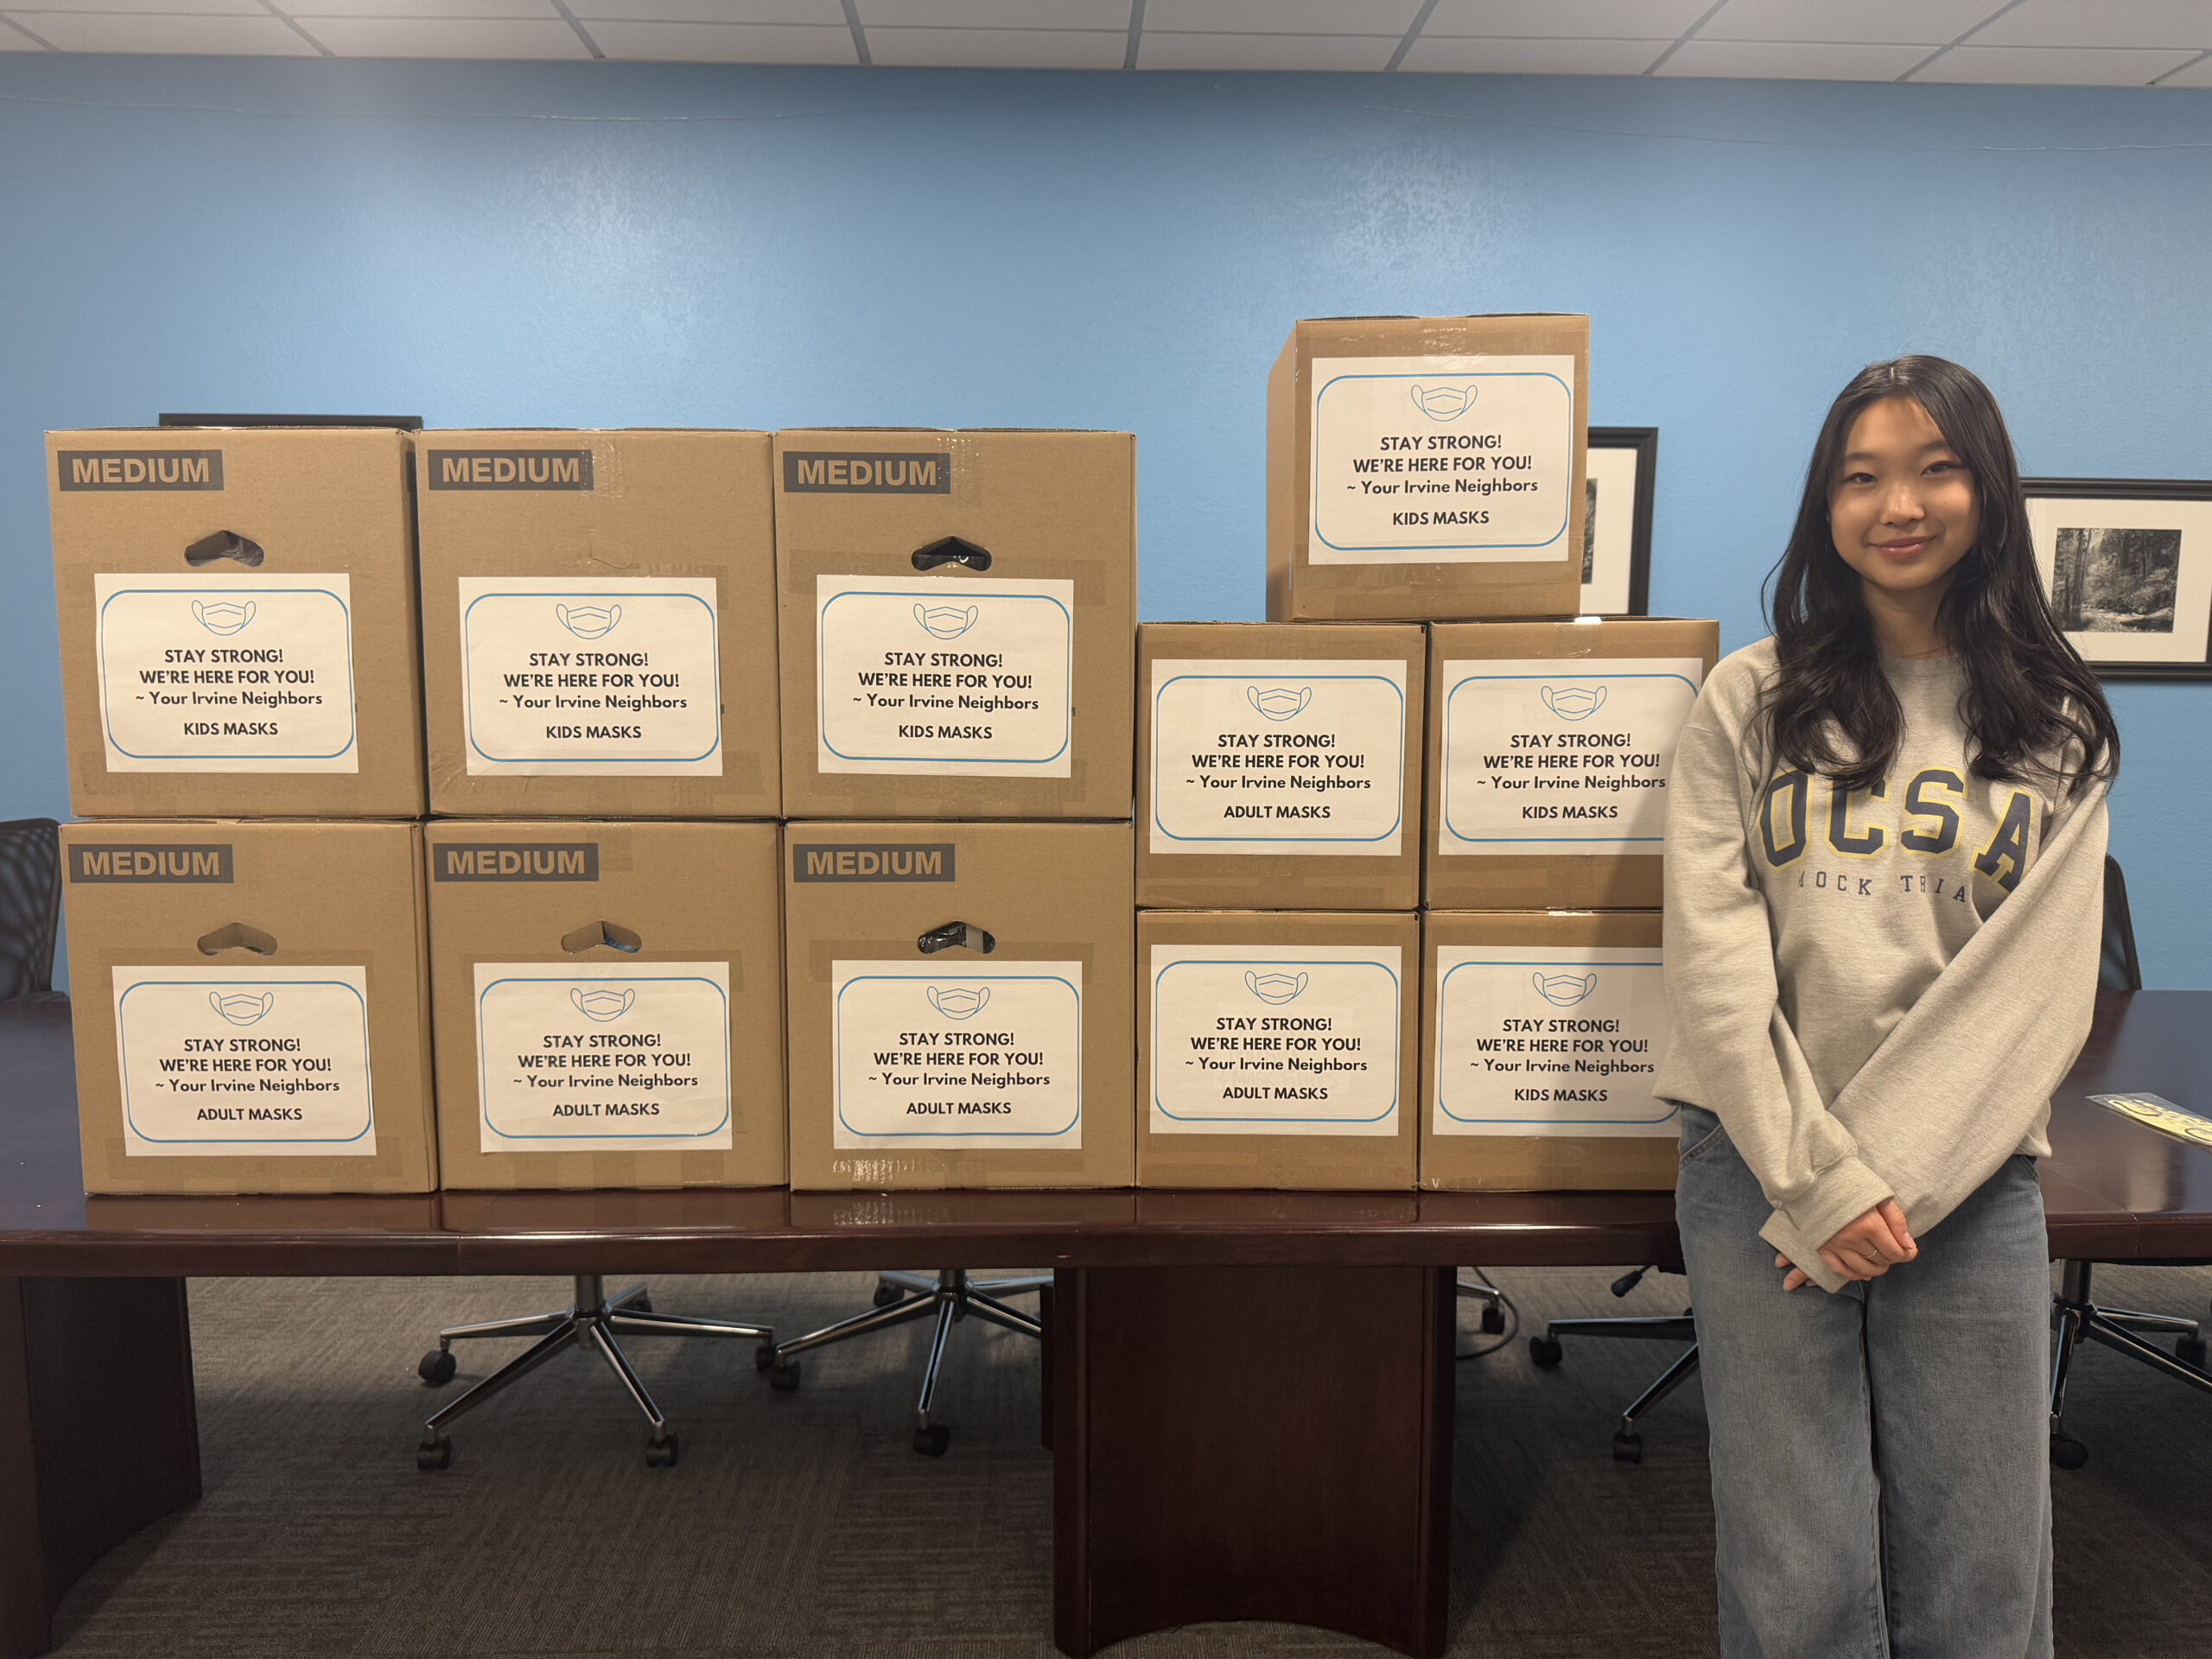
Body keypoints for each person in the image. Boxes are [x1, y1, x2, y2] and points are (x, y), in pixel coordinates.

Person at [1656, 355, 2120, 1658]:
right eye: (1861, 477)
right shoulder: (1751, 698)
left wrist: (1884, 1185)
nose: (1897, 504)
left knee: (1983, 1565)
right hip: (1759, 1163)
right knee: (1793, 1568)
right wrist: (1815, 1182)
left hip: (1967, 1182)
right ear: (1825, 506)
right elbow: (1714, 951)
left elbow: (2033, 995)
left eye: (1934, 468)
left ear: (1988, 490)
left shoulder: (2058, 723)